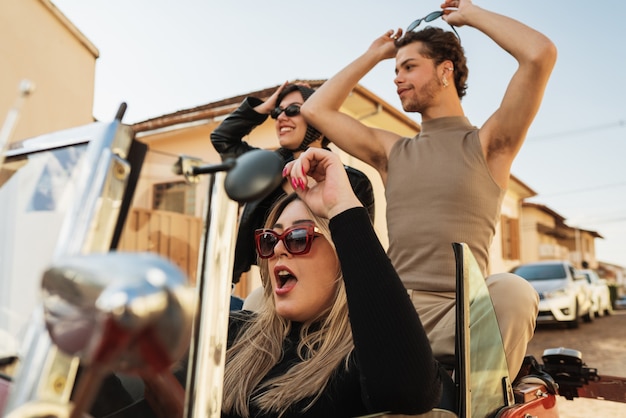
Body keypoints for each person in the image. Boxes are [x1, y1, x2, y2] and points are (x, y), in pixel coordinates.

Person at [299, 0, 557, 379]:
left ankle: (480, 398)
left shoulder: (489, 144)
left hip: (460, 320)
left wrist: (470, 14)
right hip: (391, 314)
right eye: (395, 69)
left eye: (409, 67)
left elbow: (539, 55)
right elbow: (316, 110)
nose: (397, 78)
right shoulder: (393, 151)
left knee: (515, 291)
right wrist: (373, 55)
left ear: (445, 71)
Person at [140, 148, 442, 418]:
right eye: (270, 240)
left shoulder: (361, 360)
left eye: (299, 237)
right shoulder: (235, 333)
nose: (279, 250)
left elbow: (408, 393)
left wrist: (342, 207)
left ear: (344, 256)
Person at [210, 82, 375, 308]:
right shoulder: (264, 169)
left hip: (331, 304)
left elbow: (359, 253)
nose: (281, 117)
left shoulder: (352, 182)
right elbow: (222, 139)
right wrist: (265, 106)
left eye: (294, 110)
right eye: (278, 112)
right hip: (274, 294)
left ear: (318, 119)